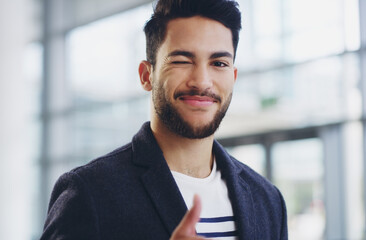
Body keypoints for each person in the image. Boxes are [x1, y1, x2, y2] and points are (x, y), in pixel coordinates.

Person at [40, 0, 288, 239]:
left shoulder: (267, 200)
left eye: (219, 63)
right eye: (182, 61)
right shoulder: (89, 193)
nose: (202, 81)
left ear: (233, 77)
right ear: (147, 75)